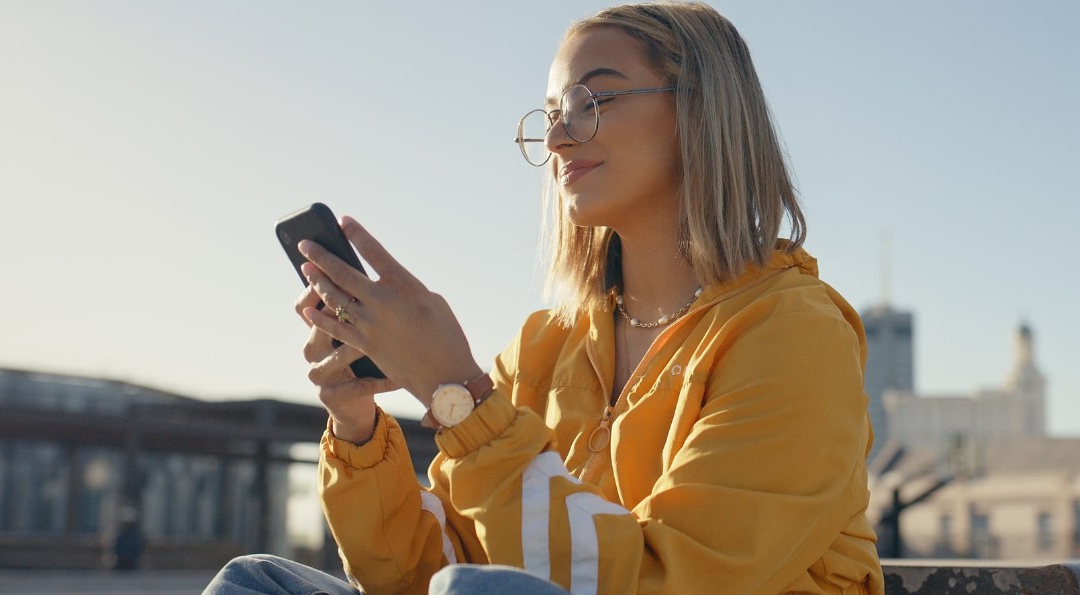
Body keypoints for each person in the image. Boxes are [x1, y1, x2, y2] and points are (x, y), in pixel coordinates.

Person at [205, 3, 882, 594]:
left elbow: (665, 582)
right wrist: (356, 423)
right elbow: (418, 576)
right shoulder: (543, 345)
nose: (559, 137)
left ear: (699, 112)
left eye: (595, 101)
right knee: (256, 582)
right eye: (554, 113)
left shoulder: (794, 333)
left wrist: (458, 392)